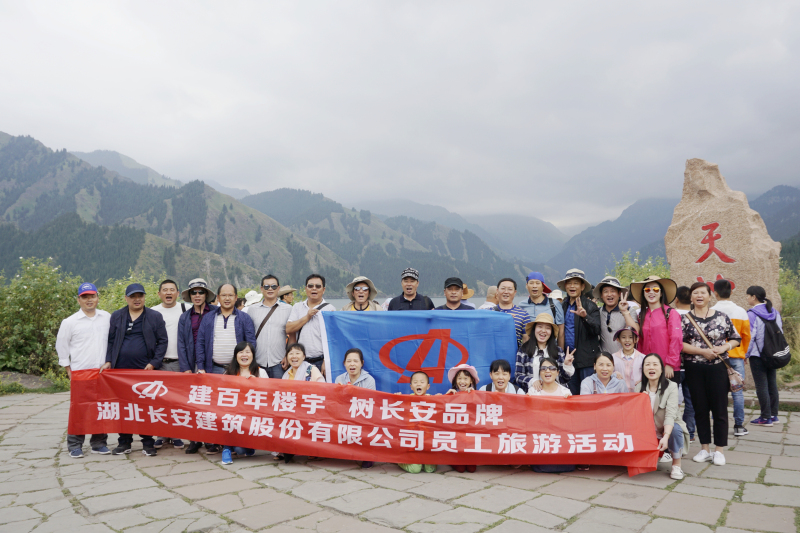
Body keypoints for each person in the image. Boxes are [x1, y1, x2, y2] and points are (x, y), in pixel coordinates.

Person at [102, 283, 168, 456]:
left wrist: (154, 363)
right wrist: (109, 360)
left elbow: (163, 341)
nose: (137, 299)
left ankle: (148, 443)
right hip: (121, 371)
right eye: (133, 296)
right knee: (123, 407)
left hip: (144, 370)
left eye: (140, 296)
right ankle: (124, 442)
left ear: (145, 297)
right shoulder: (117, 316)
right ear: (126, 298)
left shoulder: (154, 316)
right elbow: (111, 340)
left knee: (145, 408)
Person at [681, 282, 741, 466]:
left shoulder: (722, 317)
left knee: (719, 409)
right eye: (695, 293)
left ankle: (719, 450)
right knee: (700, 409)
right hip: (694, 368)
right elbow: (679, 344)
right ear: (691, 297)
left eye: (703, 293)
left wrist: (724, 347)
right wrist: (702, 352)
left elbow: (736, 338)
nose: (699, 296)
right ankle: (704, 448)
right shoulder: (684, 319)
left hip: (718, 368)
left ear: (710, 296)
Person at [57, 282, 112, 458]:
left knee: (101, 408)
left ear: (97, 298)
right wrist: (68, 368)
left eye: (92, 296)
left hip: (103, 373)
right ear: (79, 300)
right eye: (85, 297)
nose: (89, 300)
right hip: (81, 371)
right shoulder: (70, 322)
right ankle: (75, 445)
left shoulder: (106, 317)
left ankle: (99, 443)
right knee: (79, 410)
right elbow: (62, 346)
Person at [177, 278, 217, 455]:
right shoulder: (185, 317)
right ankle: (195, 439)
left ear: (206, 294)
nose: (197, 295)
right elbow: (181, 343)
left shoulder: (215, 312)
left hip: (212, 362)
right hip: (192, 363)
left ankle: (211, 439)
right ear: (190, 295)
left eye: (201, 292)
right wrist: (185, 367)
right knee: (193, 402)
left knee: (211, 402)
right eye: (194, 292)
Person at [711, 279, 752, 437]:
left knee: (717, 392)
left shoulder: (711, 311)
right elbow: (746, 336)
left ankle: (717, 424)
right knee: (737, 392)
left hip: (718, 357)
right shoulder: (741, 311)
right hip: (736, 356)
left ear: (714, 293)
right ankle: (739, 426)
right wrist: (744, 353)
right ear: (731, 292)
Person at [151, 279, 187, 450]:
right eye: (165, 290)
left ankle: (176, 434)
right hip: (159, 363)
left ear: (177, 293)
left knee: (177, 400)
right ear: (159, 294)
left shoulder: (185, 309)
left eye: (172, 290)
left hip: (179, 362)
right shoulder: (152, 312)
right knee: (160, 401)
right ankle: (161, 435)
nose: (168, 293)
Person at [640, 353, 687, 480]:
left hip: (665, 430)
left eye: (655, 364)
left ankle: (676, 465)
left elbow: (671, 415)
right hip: (647, 432)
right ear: (643, 369)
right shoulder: (638, 387)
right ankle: (653, 456)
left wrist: (666, 436)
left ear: (661, 369)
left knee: (675, 428)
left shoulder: (671, 387)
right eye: (647, 364)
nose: (651, 367)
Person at [629, 276, 683, 384]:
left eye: (656, 289)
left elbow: (676, 339)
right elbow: (640, 342)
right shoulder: (641, 315)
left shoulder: (671, 313)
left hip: (667, 368)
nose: (651, 292)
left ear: (661, 293)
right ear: (644, 293)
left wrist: (670, 364)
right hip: (647, 368)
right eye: (647, 289)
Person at [196, 284, 257, 376]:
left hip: (238, 369)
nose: (227, 298)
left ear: (236, 298)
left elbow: (251, 343)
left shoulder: (245, 318)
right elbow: (200, 343)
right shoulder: (208, 318)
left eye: (230, 295)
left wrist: (247, 367)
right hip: (213, 369)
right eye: (224, 295)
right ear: (218, 297)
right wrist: (200, 366)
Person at [220, 342, 266, 466]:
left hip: (252, 417)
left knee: (241, 450)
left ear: (253, 355)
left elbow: (268, 395)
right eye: (241, 352)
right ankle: (226, 449)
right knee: (227, 419)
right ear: (236, 355)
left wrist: (257, 383)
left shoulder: (261, 373)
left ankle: (247, 446)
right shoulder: (228, 373)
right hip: (233, 415)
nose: (244, 355)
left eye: (247, 352)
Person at [557, 269, 601, 395]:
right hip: (568, 359)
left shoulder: (590, 306)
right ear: (565, 286)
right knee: (571, 394)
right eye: (569, 283)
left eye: (576, 283)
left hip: (586, 360)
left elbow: (597, 330)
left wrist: (585, 317)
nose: (572, 286)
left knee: (588, 395)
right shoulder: (562, 306)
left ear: (582, 287)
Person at [746, 286, 783, 427]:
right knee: (772, 384)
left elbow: (750, 337)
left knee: (761, 385)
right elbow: (780, 332)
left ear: (754, 297)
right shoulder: (774, 312)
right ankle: (774, 415)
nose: (747, 298)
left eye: (748, 296)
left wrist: (746, 354)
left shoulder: (752, 314)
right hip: (773, 353)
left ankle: (765, 417)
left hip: (758, 355)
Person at [334, 348, 377, 468]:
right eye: (349, 361)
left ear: (362, 363)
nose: (352, 364)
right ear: (344, 363)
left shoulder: (369, 380)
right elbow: (337, 402)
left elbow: (370, 403)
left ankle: (367, 455)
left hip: (362, 414)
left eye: (355, 361)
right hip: (344, 414)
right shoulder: (339, 379)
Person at [246, 275, 295, 378]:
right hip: (257, 362)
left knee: (279, 388)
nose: (270, 289)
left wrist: (288, 355)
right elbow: (248, 335)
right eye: (266, 286)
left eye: (273, 286)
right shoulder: (252, 309)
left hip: (279, 362)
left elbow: (292, 335)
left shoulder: (288, 309)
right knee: (257, 388)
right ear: (261, 289)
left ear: (278, 288)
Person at [286, 274, 335, 375]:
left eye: (318, 286)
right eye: (310, 286)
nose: (314, 288)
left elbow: (333, 339)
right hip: (300, 360)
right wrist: (307, 317)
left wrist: (326, 361)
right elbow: (289, 328)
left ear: (323, 289)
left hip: (321, 360)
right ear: (306, 288)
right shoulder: (297, 307)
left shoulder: (330, 309)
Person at [516, 313, 574, 393]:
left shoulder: (558, 351)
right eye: (540, 326)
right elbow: (518, 376)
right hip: (532, 394)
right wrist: (532, 381)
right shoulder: (524, 350)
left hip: (556, 395)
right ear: (534, 329)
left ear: (551, 332)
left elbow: (564, 379)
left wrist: (567, 366)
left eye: (548, 328)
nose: (543, 331)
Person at [397, 371, 437, 474]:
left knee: (430, 470)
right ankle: (399, 461)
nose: (418, 384)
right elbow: (398, 413)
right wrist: (396, 399)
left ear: (428, 386)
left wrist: (446, 397)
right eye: (415, 382)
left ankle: (425, 459)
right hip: (413, 441)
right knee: (416, 469)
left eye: (422, 382)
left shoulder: (433, 400)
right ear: (411, 387)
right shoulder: (407, 399)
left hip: (427, 441)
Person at [446, 364, 478, 473]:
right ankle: (452, 459)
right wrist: (447, 397)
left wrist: (473, 395)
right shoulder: (452, 394)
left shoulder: (476, 394)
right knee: (460, 469)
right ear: (455, 381)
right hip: (456, 437)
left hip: (470, 438)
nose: (462, 381)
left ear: (471, 381)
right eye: (459, 378)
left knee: (472, 469)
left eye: (465, 378)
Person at [593, 276, 637, 353]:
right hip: (605, 358)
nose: (609, 294)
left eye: (613, 291)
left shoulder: (629, 310)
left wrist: (625, 312)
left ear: (619, 293)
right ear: (601, 295)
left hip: (625, 357)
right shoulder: (598, 312)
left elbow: (635, 331)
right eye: (605, 291)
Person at [674, 285, 695, 441]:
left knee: (671, 401)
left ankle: (675, 432)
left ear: (676, 300)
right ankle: (690, 433)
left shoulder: (671, 315)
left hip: (674, 365)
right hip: (692, 363)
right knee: (691, 400)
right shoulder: (695, 316)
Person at [519, 272, 565, 341]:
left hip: (550, 346)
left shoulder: (555, 304)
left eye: (538, 283)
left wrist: (560, 348)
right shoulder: (522, 305)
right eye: (531, 283)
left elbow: (561, 332)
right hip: (529, 347)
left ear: (543, 286)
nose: (534, 286)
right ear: (526, 286)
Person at [493, 278, 532, 348]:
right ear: (497, 291)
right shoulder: (489, 312)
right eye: (503, 288)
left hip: (515, 354)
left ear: (515, 292)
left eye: (510, 289)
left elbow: (526, 339)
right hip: (493, 353)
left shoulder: (523, 314)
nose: (506, 292)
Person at [611, 327, 645, 393]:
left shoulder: (643, 358)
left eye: (630, 337)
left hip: (637, 394)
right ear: (618, 340)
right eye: (623, 337)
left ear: (636, 339)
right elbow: (606, 375)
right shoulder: (613, 358)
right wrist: (613, 374)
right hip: (619, 394)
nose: (627, 340)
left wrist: (643, 381)